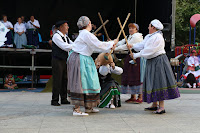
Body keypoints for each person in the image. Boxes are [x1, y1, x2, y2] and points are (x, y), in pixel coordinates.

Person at [67, 16, 118, 116]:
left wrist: (109, 46)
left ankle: (88, 107)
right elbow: (98, 44)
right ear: (89, 23)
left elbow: (95, 47)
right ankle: (76, 109)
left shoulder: (86, 35)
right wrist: (111, 43)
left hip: (84, 59)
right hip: (79, 59)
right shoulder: (86, 34)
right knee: (80, 82)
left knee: (90, 81)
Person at [129, 19, 180, 114]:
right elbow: (142, 45)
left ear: (153, 27)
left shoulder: (158, 37)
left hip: (159, 61)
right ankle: (154, 104)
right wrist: (132, 46)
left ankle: (161, 107)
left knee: (159, 82)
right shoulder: (149, 36)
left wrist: (136, 55)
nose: (148, 27)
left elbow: (150, 50)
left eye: (149, 26)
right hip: (151, 61)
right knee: (152, 81)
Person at [115, 23, 144, 104]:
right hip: (130, 57)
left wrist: (115, 49)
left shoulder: (137, 36)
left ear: (136, 30)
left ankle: (140, 96)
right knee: (130, 77)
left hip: (137, 58)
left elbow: (126, 46)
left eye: (133, 28)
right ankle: (133, 96)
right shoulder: (128, 36)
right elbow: (120, 42)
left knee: (137, 77)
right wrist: (112, 43)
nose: (131, 29)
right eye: (130, 28)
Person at [51, 20, 73, 106]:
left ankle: (64, 98)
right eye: (66, 26)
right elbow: (65, 47)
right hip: (57, 60)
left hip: (64, 60)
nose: (67, 27)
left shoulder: (66, 37)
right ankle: (54, 100)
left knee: (65, 79)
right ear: (60, 27)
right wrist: (77, 46)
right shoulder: (56, 36)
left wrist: (80, 44)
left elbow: (72, 43)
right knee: (57, 80)